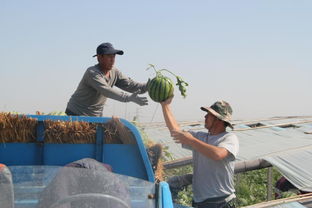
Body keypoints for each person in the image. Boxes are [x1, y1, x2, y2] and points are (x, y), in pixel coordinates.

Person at [160, 97, 239, 208]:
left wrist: (191, 140)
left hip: (221, 202)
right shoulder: (201, 137)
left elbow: (217, 154)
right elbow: (175, 131)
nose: (205, 116)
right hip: (200, 203)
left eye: (209, 114)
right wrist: (165, 105)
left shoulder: (229, 138)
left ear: (218, 119)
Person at [66, 42, 148, 117]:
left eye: (114, 56)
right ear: (99, 58)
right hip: (76, 114)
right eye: (109, 56)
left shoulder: (114, 72)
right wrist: (128, 98)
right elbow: (106, 90)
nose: (112, 60)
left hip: (95, 117)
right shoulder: (92, 72)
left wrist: (149, 86)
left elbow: (131, 85)